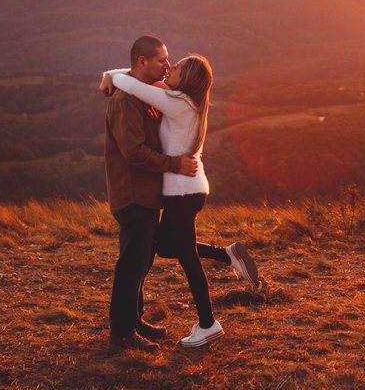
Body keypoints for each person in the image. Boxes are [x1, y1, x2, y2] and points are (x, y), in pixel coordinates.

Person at [101, 50, 258, 349]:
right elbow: (137, 75)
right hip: (189, 189)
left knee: (186, 259)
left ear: (187, 80)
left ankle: (208, 324)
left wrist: (109, 76)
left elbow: (132, 83)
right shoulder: (187, 101)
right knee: (162, 246)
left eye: (178, 67)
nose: (170, 67)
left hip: (183, 192)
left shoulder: (176, 102)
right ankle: (227, 256)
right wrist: (109, 75)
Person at [103, 35, 200, 353]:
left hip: (145, 191)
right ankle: (121, 333)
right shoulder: (126, 100)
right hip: (133, 192)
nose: (168, 65)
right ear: (142, 62)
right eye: (161, 60)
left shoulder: (144, 94)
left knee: (141, 260)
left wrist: (109, 74)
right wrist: (175, 165)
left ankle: (133, 321)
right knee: (132, 262)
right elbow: (133, 152)